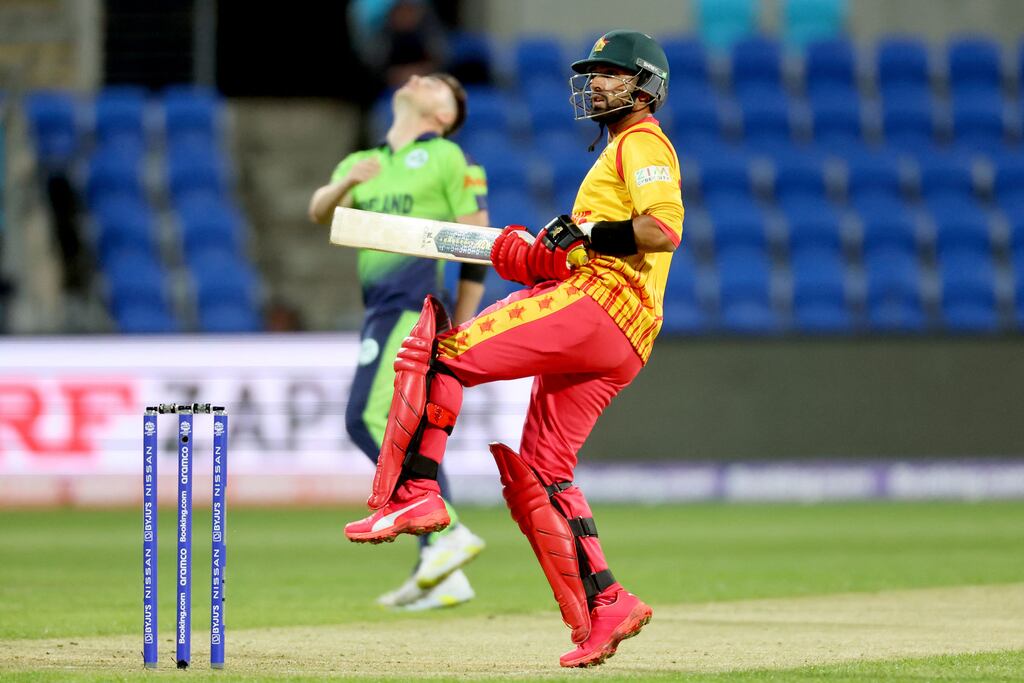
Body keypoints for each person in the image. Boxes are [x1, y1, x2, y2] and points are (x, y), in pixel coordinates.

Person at [344, 30, 681, 667]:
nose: (599, 83)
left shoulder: (641, 142)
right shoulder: (616, 149)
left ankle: (413, 491)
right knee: (542, 472)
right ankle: (603, 605)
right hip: (626, 339)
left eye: (613, 73)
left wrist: (576, 237)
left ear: (645, 87)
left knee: (438, 355)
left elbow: (660, 230)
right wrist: (541, 254)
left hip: (604, 306)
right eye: (595, 73)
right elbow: (584, 249)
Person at [309, 72, 488, 611]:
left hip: (414, 307)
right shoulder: (362, 161)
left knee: (364, 419)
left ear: (445, 117)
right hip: (380, 308)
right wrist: (344, 187)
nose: (418, 78)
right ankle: (443, 565)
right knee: (405, 429)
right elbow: (320, 211)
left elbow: (478, 245)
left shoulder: (449, 158)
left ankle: (446, 532)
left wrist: (461, 327)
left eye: (436, 84)